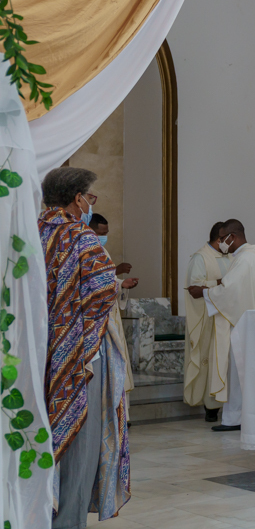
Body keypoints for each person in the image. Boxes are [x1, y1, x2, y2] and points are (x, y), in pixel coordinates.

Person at [38, 167, 130, 526]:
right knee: (79, 444)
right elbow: (104, 291)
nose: (91, 205)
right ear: (78, 199)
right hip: (80, 358)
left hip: (35, 355)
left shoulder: (31, 233)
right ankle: (67, 520)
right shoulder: (82, 237)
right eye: (91, 199)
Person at [187, 219, 255, 431]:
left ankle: (236, 418)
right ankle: (236, 417)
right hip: (247, 322)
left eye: (223, 238)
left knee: (238, 372)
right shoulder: (248, 257)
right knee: (239, 373)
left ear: (231, 237)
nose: (222, 243)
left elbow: (229, 290)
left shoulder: (246, 259)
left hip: (244, 324)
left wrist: (203, 292)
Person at [89, 213, 138, 420]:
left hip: (112, 316)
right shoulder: (87, 250)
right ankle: (114, 417)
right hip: (99, 321)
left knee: (119, 366)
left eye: (106, 233)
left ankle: (122, 417)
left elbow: (107, 280)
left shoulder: (103, 250)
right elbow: (93, 284)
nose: (104, 237)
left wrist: (120, 282)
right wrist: (118, 281)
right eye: (101, 233)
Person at [183, 221, 232, 422]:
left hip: (225, 317)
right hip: (207, 318)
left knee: (224, 361)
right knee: (208, 361)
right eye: (227, 239)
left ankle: (224, 404)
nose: (230, 243)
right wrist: (218, 284)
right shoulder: (200, 257)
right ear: (220, 238)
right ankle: (210, 406)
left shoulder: (230, 257)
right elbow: (194, 290)